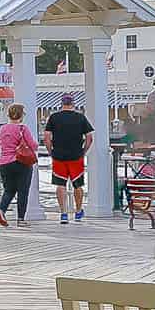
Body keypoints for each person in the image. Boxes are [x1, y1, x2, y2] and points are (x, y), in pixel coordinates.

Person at [42, 95, 96, 224]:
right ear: (73, 103)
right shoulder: (80, 117)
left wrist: (50, 152)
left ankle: (63, 213)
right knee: (78, 184)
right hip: (76, 155)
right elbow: (89, 138)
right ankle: (78, 211)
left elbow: (46, 138)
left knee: (60, 184)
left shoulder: (54, 117)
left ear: (61, 103)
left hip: (59, 155)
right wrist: (83, 151)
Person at [0, 102, 37, 228]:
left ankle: (1, 209)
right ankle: (21, 219)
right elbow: (33, 145)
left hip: (4, 163)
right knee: (23, 191)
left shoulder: (2, 129)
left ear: (9, 115)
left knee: (9, 190)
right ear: (21, 115)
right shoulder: (22, 128)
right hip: (20, 162)